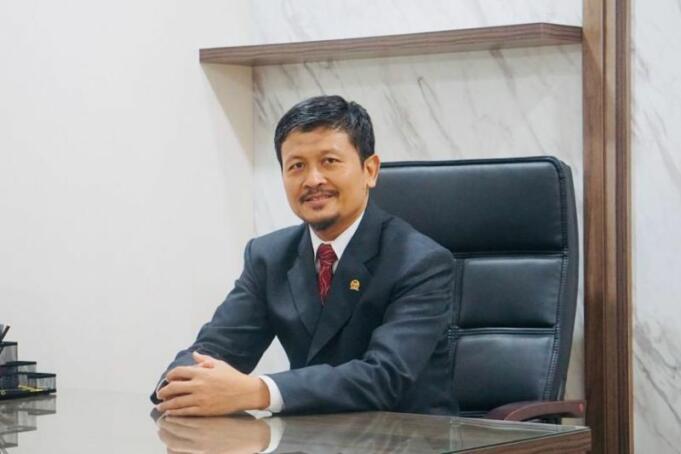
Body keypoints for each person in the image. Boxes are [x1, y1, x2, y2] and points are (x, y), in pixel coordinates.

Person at [151, 95, 456, 417]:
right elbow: (215, 347)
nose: (313, 180)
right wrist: (180, 384)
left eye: (329, 161)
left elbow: (384, 377)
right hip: (306, 437)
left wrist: (259, 391)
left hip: (407, 436)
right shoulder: (269, 257)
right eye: (296, 166)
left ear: (370, 170)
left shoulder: (420, 262)